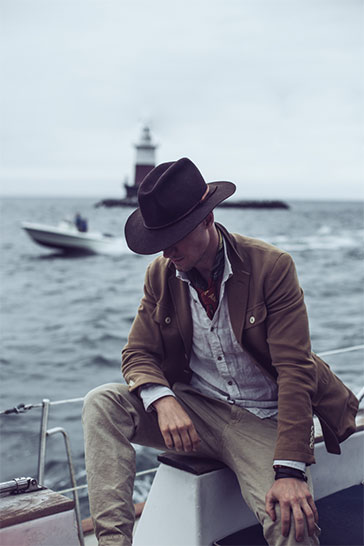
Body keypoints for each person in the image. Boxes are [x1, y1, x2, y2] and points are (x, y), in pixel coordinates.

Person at [82, 158, 358, 546]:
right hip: (198, 411)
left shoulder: (272, 267)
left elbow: (296, 371)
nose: (165, 252)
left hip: (264, 418)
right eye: (159, 240)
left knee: (293, 525)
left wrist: (291, 472)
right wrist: (163, 400)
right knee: (101, 403)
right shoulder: (161, 275)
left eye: (174, 236)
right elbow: (138, 353)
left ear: (207, 219)